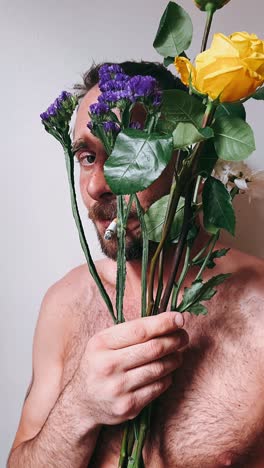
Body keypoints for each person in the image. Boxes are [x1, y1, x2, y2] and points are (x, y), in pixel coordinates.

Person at [8, 62, 264, 468]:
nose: (96, 185)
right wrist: (79, 408)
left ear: (189, 158)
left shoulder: (259, 308)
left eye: (128, 150)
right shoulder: (64, 304)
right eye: (88, 156)